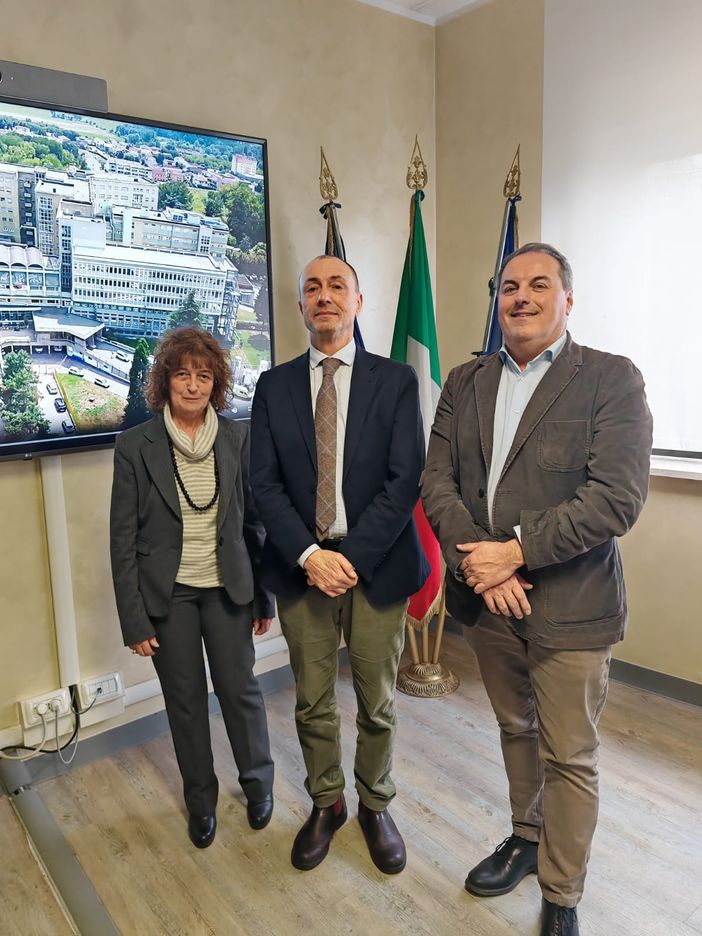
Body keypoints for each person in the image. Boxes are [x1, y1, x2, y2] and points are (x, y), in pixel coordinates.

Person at [421, 244, 652, 936]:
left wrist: (515, 552)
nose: (521, 297)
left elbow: (616, 498)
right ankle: (525, 836)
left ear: (567, 299)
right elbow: (437, 481)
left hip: (572, 606)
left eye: (538, 285)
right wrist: (482, 568)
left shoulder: (611, 379)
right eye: (510, 286)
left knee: (570, 755)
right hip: (488, 602)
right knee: (515, 728)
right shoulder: (464, 381)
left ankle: (561, 890)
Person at [250, 255, 429, 874]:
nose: (324, 296)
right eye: (312, 288)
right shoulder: (272, 387)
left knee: (378, 701)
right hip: (301, 568)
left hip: (375, 566)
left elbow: (406, 480)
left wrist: (345, 560)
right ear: (301, 306)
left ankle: (376, 803)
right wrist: (309, 555)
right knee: (312, 700)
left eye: (336, 286)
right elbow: (263, 484)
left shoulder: (397, 380)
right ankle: (327, 802)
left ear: (359, 301)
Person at [110, 326, 275, 849]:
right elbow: (122, 539)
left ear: (216, 383)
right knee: (184, 702)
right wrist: (133, 619)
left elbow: (255, 525)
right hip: (169, 598)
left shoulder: (237, 437)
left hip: (228, 590)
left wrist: (261, 595)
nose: (193, 385)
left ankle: (258, 786)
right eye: (182, 374)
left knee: (241, 692)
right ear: (166, 380)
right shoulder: (135, 445)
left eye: (203, 375)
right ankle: (200, 803)